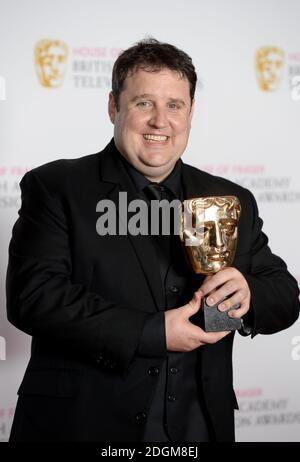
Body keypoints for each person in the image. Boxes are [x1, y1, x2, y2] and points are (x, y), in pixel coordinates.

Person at [6, 38, 299, 442]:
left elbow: (284, 294)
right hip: (81, 425)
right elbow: (33, 297)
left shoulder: (231, 198)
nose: (161, 121)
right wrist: (152, 332)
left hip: (199, 427)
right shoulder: (57, 187)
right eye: (144, 103)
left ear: (191, 112)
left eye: (174, 105)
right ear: (114, 106)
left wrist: (249, 293)